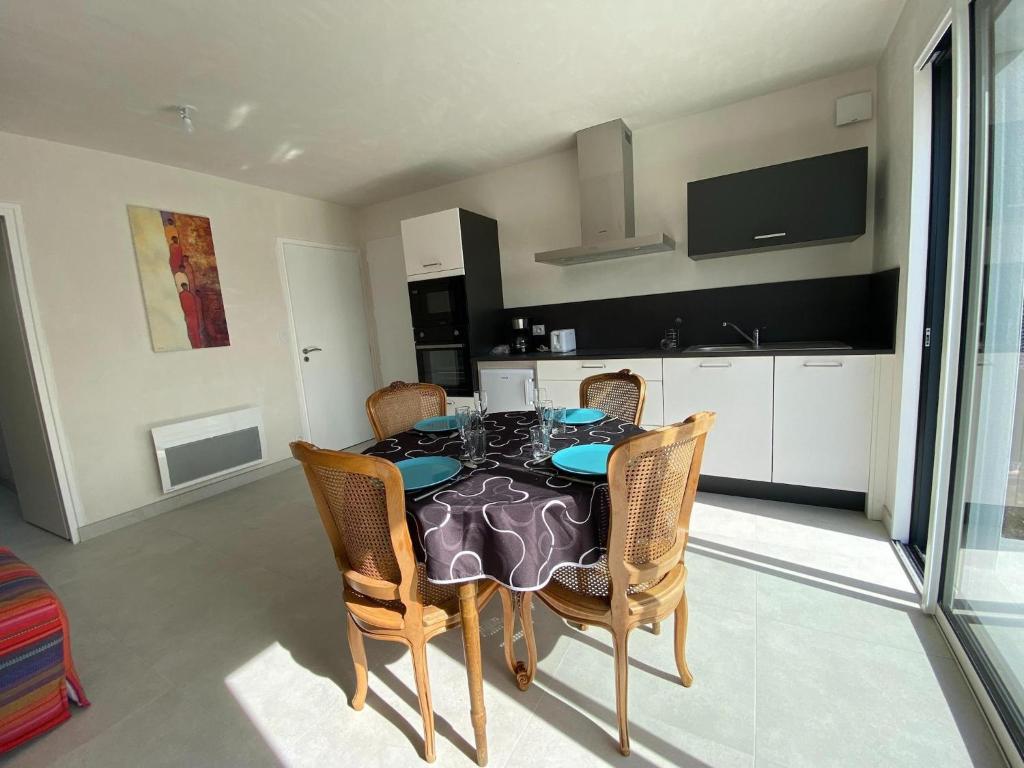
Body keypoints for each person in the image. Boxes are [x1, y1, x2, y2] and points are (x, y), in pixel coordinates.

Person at [177, 281, 202, 348]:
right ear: (182, 287)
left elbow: (194, 304)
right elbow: (182, 305)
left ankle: (198, 344)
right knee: (191, 330)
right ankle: (194, 344)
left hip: (193, 314)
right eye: (184, 286)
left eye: (186, 286)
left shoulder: (190, 294)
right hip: (188, 315)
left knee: (196, 330)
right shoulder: (181, 295)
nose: (186, 287)